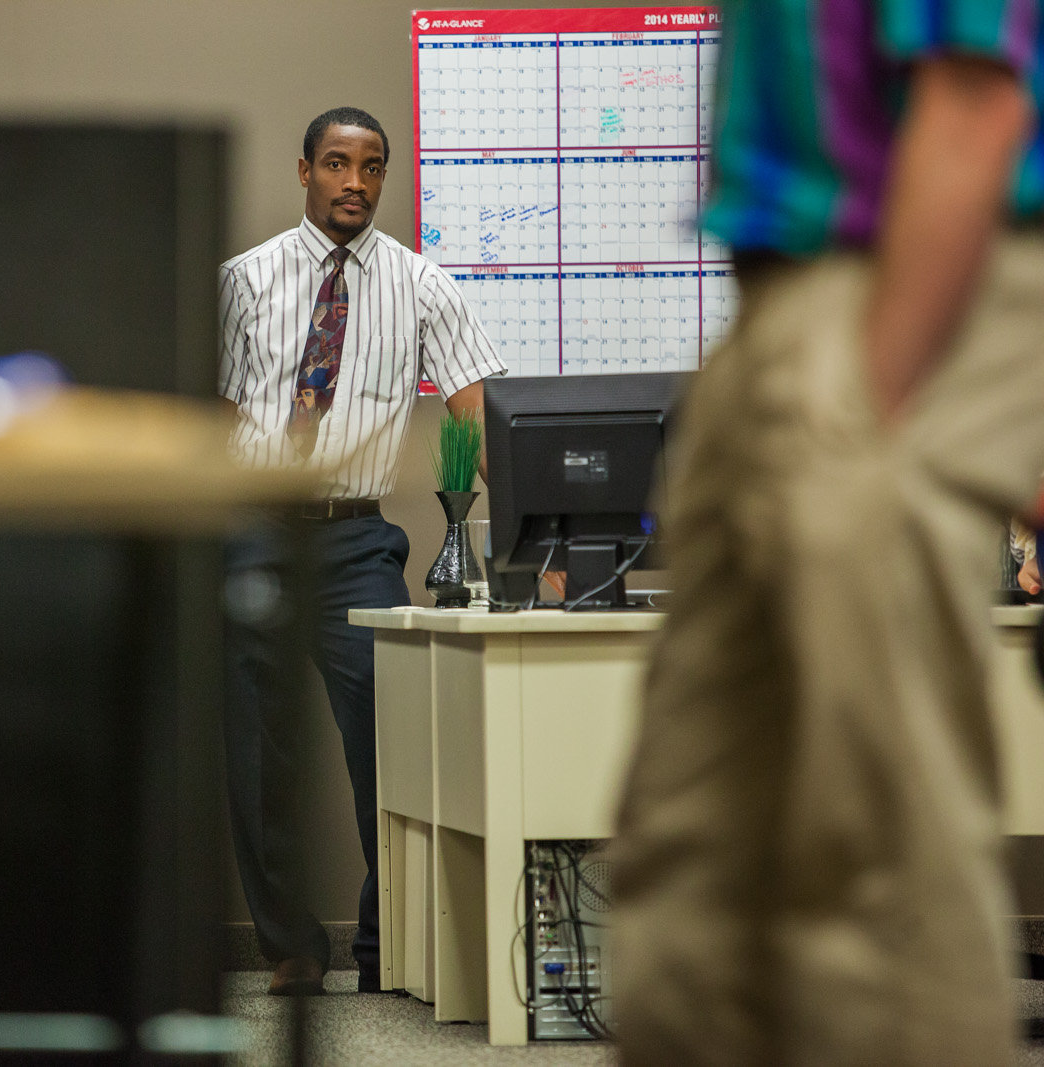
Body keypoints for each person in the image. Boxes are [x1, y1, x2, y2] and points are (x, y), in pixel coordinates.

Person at [608, 3, 1044, 1064]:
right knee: (689, 846)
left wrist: (867, 402)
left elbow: (972, 88)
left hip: (890, 277)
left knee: (873, 855)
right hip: (781, 295)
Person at [218, 106, 506, 996]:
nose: (355, 183)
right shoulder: (244, 281)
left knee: (390, 747)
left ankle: (386, 948)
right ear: (305, 170)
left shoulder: (425, 287)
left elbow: (477, 418)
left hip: (357, 540)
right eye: (337, 165)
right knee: (257, 753)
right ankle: (292, 948)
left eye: (372, 168)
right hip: (252, 535)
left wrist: (532, 535)